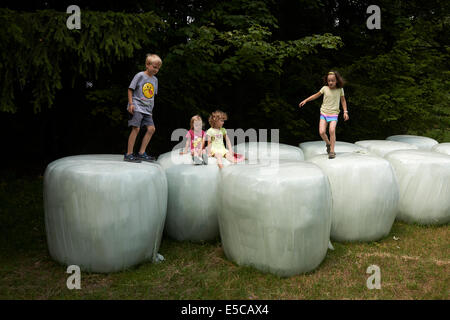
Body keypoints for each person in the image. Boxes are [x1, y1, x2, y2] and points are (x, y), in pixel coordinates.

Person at [298, 71, 349, 159]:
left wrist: (345, 112)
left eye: (332, 80)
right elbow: (316, 95)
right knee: (321, 132)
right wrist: (306, 100)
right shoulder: (324, 88)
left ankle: (332, 151)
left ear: (336, 81)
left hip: (334, 113)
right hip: (324, 113)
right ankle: (328, 144)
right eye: (329, 81)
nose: (330, 82)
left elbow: (343, 101)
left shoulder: (340, 89)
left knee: (332, 130)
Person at [124, 54, 162, 162]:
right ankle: (129, 154)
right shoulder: (140, 75)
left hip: (147, 110)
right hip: (136, 106)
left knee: (151, 129)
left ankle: (141, 153)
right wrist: (131, 104)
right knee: (136, 128)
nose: (156, 69)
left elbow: (152, 96)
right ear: (147, 65)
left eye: (158, 68)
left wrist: (151, 110)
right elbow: (130, 89)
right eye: (154, 67)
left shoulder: (155, 80)